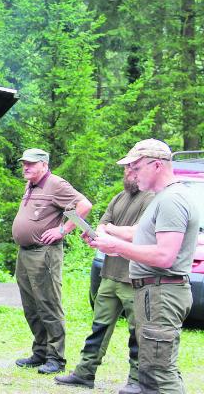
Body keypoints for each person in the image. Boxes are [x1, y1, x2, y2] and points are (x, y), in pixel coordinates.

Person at [86, 139, 200, 393]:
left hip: (161, 294)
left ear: (157, 165)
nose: (131, 174)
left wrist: (115, 248)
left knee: (160, 374)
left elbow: (164, 256)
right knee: (149, 370)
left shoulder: (172, 199)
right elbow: (141, 233)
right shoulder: (163, 198)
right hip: (154, 294)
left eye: (136, 168)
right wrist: (107, 238)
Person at [55, 166, 154, 393]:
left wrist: (109, 230)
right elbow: (100, 226)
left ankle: (137, 380)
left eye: (133, 168)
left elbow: (136, 233)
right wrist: (102, 233)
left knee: (137, 332)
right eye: (127, 168)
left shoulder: (152, 199)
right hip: (110, 274)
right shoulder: (120, 197)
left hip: (134, 278)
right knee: (98, 327)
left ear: (143, 171)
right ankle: (84, 373)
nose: (128, 172)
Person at [12, 148, 92, 374]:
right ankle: (40, 352)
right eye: (24, 163)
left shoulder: (56, 184)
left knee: (48, 304)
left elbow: (84, 205)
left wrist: (63, 229)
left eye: (31, 164)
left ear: (44, 165)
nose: (26, 167)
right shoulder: (31, 184)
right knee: (31, 306)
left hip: (44, 253)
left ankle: (56, 357)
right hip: (26, 253)